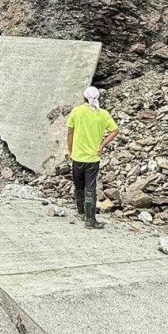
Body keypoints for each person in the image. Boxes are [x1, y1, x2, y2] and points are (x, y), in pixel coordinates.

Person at [66, 86, 119, 230]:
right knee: (90, 188)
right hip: (92, 159)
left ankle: (81, 212)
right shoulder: (103, 114)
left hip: (77, 157)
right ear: (97, 98)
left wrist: (70, 151)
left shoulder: (76, 112)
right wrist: (102, 146)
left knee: (79, 186)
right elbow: (115, 130)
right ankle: (90, 221)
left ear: (83, 97)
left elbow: (70, 132)